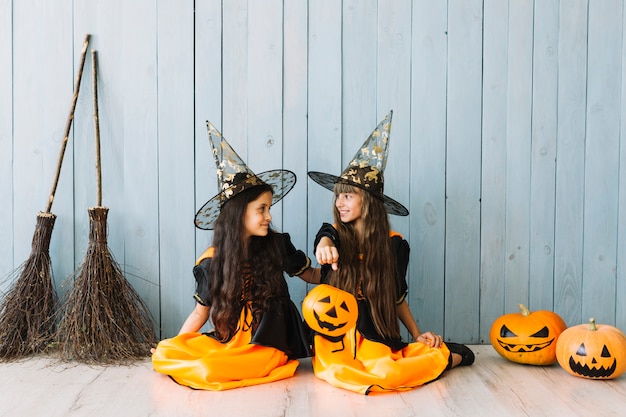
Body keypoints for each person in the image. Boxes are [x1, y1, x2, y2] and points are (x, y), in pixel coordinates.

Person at [302, 110, 474, 395]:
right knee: (335, 371)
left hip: (375, 330)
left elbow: (396, 297)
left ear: (368, 202)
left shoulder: (393, 245)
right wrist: (323, 246)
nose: (339, 202)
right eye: (337, 195)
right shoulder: (334, 234)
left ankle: (449, 356)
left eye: (348, 195)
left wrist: (417, 334)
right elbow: (325, 240)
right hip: (336, 333)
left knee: (388, 373)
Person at [152, 121, 317, 391]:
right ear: (240, 213)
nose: (269, 216)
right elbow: (199, 312)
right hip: (233, 339)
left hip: (270, 341)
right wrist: (176, 345)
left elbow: (311, 275)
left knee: (210, 368)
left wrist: (338, 271)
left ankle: (238, 362)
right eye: (261, 209)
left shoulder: (276, 244)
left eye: (269, 208)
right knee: (180, 351)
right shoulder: (212, 261)